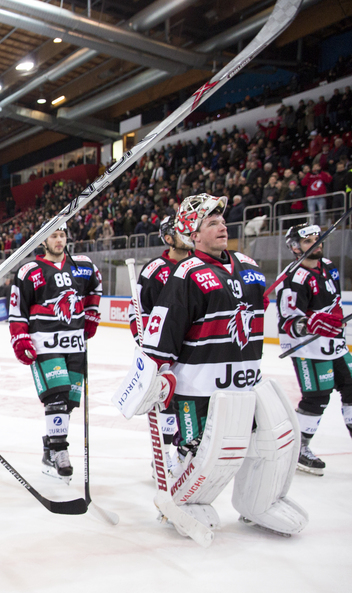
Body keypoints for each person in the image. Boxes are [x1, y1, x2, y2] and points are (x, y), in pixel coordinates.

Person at [116, 193, 307, 539]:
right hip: (201, 387)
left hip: (246, 381)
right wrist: (156, 372)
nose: (222, 226)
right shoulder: (186, 273)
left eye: (222, 220)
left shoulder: (249, 268)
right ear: (193, 233)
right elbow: (164, 328)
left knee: (272, 442)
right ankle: (186, 503)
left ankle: (259, 502)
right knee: (205, 455)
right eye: (211, 223)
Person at [8, 227, 101, 483]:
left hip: (74, 342)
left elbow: (96, 287)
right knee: (56, 395)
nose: (59, 240)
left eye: (62, 235)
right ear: (43, 240)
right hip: (45, 342)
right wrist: (20, 337)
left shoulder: (82, 266)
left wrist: (92, 313)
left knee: (68, 401)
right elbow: (18, 307)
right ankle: (60, 450)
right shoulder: (30, 271)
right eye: (53, 236)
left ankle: (50, 449)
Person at [276, 223, 348, 476]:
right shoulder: (293, 277)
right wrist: (307, 323)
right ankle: (298, 447)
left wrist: (334, 317)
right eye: (308, 241)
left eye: (318, 238)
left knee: (351, 386)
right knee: (317, 396)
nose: (316, 244)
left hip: (335, 342)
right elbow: (287, 321)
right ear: (295, 247)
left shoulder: (328, 266)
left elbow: (335, 301)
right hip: (309, 348)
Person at [128, 215, 192, 465]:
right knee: (167, 401)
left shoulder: (200, 265)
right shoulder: (155, 270)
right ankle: (162, 458)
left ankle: (187, 453)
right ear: (168, 238)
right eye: (181, 232)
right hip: (165, 347)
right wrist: (145, 342)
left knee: (191, 400)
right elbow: (138, 310)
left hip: (195, 345)